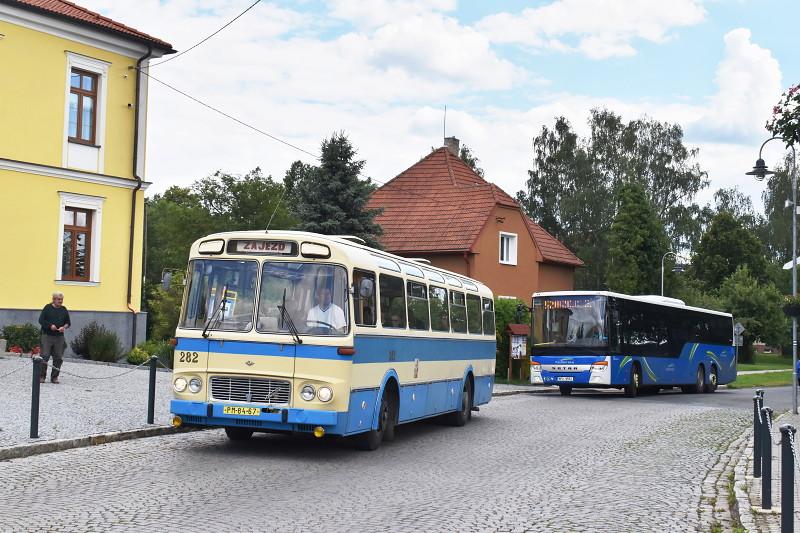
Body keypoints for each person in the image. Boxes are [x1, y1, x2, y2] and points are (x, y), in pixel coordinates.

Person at [38, 292, 71, 384]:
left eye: (62, 299)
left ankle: (54, 377)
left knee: (58, 358)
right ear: (54, 299)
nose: (61, 301)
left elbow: (68, 323)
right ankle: (41, 376)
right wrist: (50, 326)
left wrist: (63, 327)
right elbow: (41, 320)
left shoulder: (64, 309)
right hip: (47, 336)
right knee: (45, 356)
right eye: (59, 299)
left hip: (59, 337)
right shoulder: (47, 308)